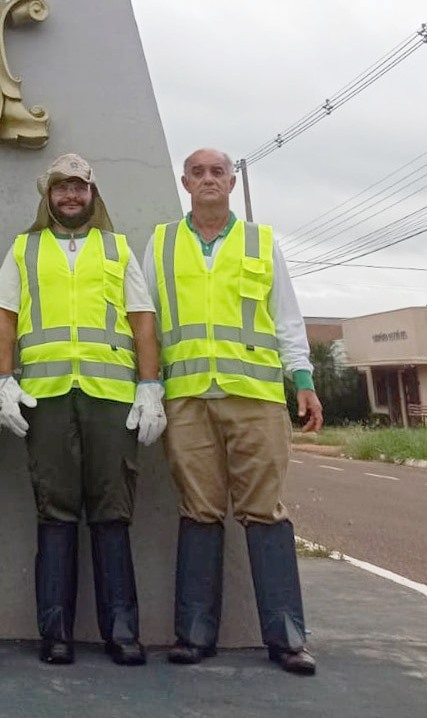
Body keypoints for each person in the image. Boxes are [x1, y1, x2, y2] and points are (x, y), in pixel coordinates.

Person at [143, 147, 324, 676]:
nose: (208, 179)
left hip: (256, 398)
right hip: (187, 398)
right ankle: (194, 635)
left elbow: (287, 318)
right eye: (198, 172)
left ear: (231, 181)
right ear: (184, 182)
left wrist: (304, 381)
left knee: (264, 511)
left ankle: (286, 639)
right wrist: (148, 387)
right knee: (199, 510)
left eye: (217, 172)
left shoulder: (261, 241)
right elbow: (146, 320)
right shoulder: (161, 242)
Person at [0, 153, 166, 666]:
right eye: (62, 188)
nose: (71, 196)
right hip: (45, 397)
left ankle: (122, 632)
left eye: (79, 187)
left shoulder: (117, 248)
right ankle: (56, 634)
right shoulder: (24, 248)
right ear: (48, 196)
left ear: (92, 194)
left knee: (112, 513)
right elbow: (4, 317)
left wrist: (149, 387)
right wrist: (3, 381)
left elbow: (142, 320)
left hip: (111, 399)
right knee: (55, 512)